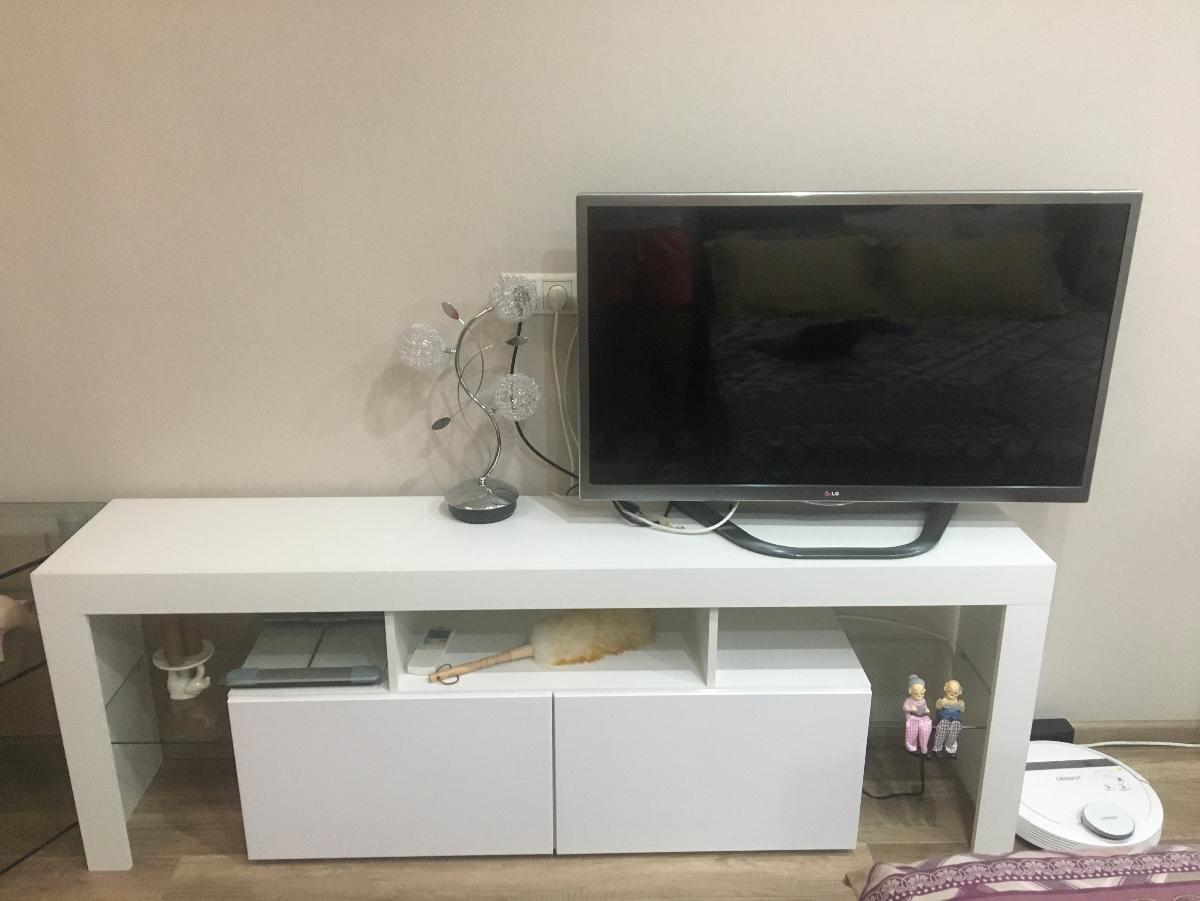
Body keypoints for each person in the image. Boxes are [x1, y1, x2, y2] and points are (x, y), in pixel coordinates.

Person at [932, 679, 965, 758]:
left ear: (959, 692)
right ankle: (937, 749)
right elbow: (938, 706)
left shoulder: (960, 702)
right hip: (943, 720)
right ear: (945, 689)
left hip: (955, 721)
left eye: (955, 692)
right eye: (950, 691)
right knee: (940, 735)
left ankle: (950, 749)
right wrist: (942, 704)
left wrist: (959, 705)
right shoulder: (942, 700)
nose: (952, 694)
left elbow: (962, 709)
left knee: (953, 736)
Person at [902, 674, 932, 755]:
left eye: (921, 693)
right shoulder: (909, 700)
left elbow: (925, 706)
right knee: (911, 734)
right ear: (910, 691)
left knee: (925, 732)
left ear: (924, 691)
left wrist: (926, 710)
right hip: (913, 718)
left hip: (923, 718)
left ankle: (924, 749)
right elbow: (904, 707)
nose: (919, 696)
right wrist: (910, 708)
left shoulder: (923, 700)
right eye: (916, 694)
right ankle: (911, 748)